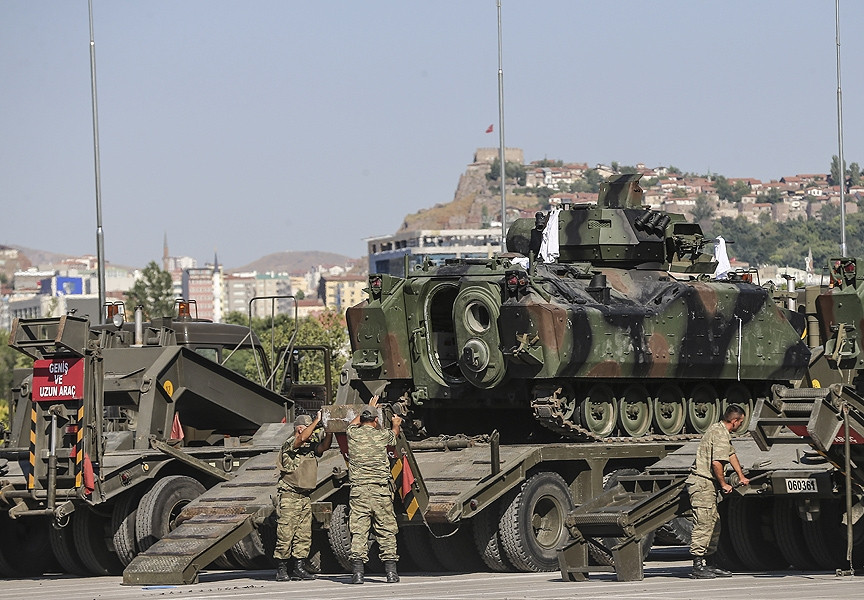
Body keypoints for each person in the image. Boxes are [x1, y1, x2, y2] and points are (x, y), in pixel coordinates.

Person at [685, 404, 750, 579]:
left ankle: (710, 564)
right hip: (703, 483)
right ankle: (697, 565)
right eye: (740, 421)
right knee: (704, 523)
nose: (741, 424)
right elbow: (717, 463)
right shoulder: (720, 434)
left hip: (707, 485)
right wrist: (723, 484)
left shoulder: (720, 431)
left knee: (714, 524)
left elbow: (731, 455)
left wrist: (741, 476)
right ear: (734, 421)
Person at [346, 395, 402, 584]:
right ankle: (391, 573)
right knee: (386, 530)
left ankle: (358, 574)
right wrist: (396, 423)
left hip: (359, 492)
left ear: (362, 419)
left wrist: (367, 407)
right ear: (376, 420)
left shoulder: (353, 434)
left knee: (359, 532)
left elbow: (353, 424)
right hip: (380, 491)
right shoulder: (381, 435)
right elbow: (394, 436)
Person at [274, 411, 332, 582]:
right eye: (307, 428)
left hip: (304, 497)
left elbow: (324, 447)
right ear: (299, 429)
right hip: (289, 497)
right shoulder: (290, 444)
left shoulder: (309, 447)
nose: (311, 432)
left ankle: (299, 567)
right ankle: (282, 569)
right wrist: (316, 421)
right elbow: (301, 439)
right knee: (285, 534)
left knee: (303, 535)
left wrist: (329, 431)